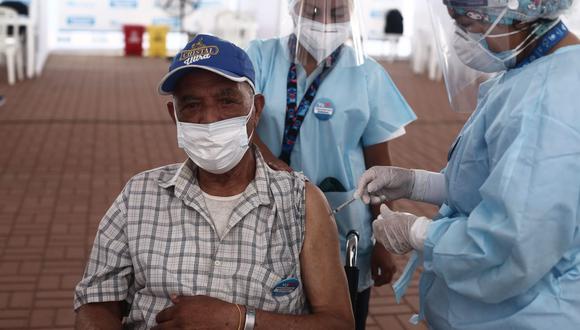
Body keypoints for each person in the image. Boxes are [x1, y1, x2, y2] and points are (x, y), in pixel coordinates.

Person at [74, 34, 354, 330]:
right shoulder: (139, 195)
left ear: (256, 109)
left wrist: (239, 320)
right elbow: (95, 303)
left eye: (226, 100)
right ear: (175, 116)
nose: (209, 119)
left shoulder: (301, 202)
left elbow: (338, 323)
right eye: (192, 105)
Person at [355, 0, 580, 328]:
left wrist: (418, 232)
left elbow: (510, 246)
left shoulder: (548, 102)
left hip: (525, 315)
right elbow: (492, 182)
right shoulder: (530, 71)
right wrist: (415, 183)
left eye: (467, 24)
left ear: (510, 14)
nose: (461, 37)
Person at [246, 1, 416, 328]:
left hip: (345, 228)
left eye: (336, 13)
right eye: (312, 11)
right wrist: (271, 163)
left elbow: (379, 164)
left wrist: (383, 239)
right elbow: (237, 119)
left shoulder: (365, 72)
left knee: (345, 312)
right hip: (268, 216)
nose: (324, 22)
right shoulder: (261, 58)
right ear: (293, 9)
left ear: (351, 15)